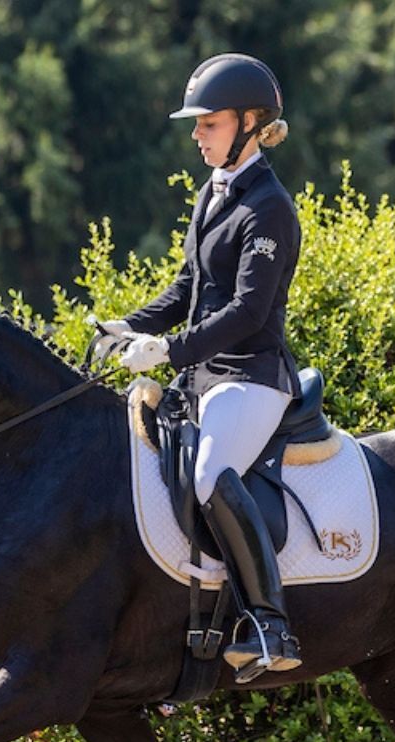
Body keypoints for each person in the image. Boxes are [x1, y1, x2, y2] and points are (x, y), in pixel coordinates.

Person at [98, 52, 302, 681]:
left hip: (251, 377)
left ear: (249, 123)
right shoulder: (214, 194)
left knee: (211, 475)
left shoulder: (269, 208)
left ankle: (270, 624)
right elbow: (188, 286)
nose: (197, 135)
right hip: (203, 378)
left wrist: (170, 350)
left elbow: (247, 311)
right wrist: (130, 325)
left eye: (209, 123)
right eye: (198, 124)